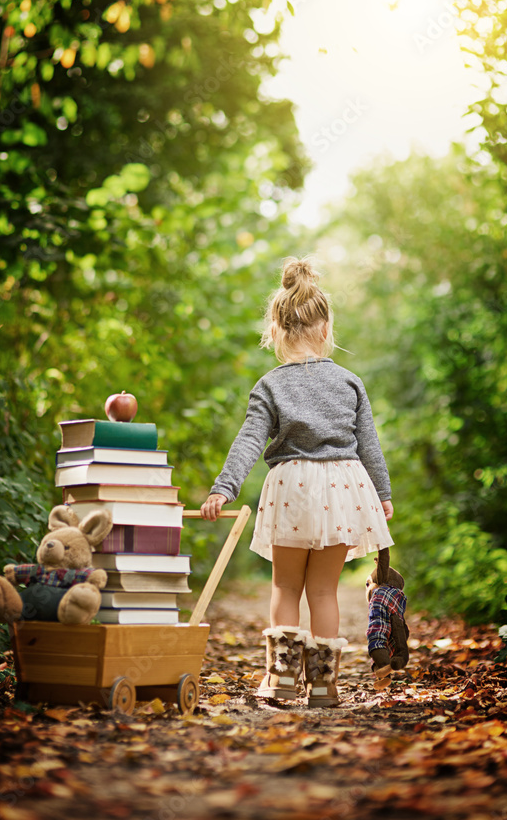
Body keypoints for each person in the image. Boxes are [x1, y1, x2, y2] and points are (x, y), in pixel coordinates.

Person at [200, 256, 395, 707]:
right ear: (327, 329)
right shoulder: (350, 382)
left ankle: (282, 678)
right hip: (343, 488)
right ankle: (325, 685)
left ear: (278, 331)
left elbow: (249, 440)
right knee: (323, 590)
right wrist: (382, 494)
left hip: (291, 489)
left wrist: (223, 487)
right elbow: (370, 445)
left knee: (285, 587)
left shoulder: (270, 385)